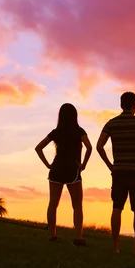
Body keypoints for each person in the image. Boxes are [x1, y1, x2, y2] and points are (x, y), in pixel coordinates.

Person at [96, 92, 135, 256]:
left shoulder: (112, 124)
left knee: (117, 207)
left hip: (119, 171)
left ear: (121, 105)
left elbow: (99, 146)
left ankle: (115, 247)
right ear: (134, 105)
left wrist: (111, 166)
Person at [35, 103, 92, 246]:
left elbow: (38, 148)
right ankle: (78, 237)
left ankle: (52, 235)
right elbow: (89, 147)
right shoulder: (79, 131)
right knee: (77, 205)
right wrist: (83, 164)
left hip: (57, 169)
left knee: (53, 203)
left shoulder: (57, 131)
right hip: (72, 169)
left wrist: (48, 164)